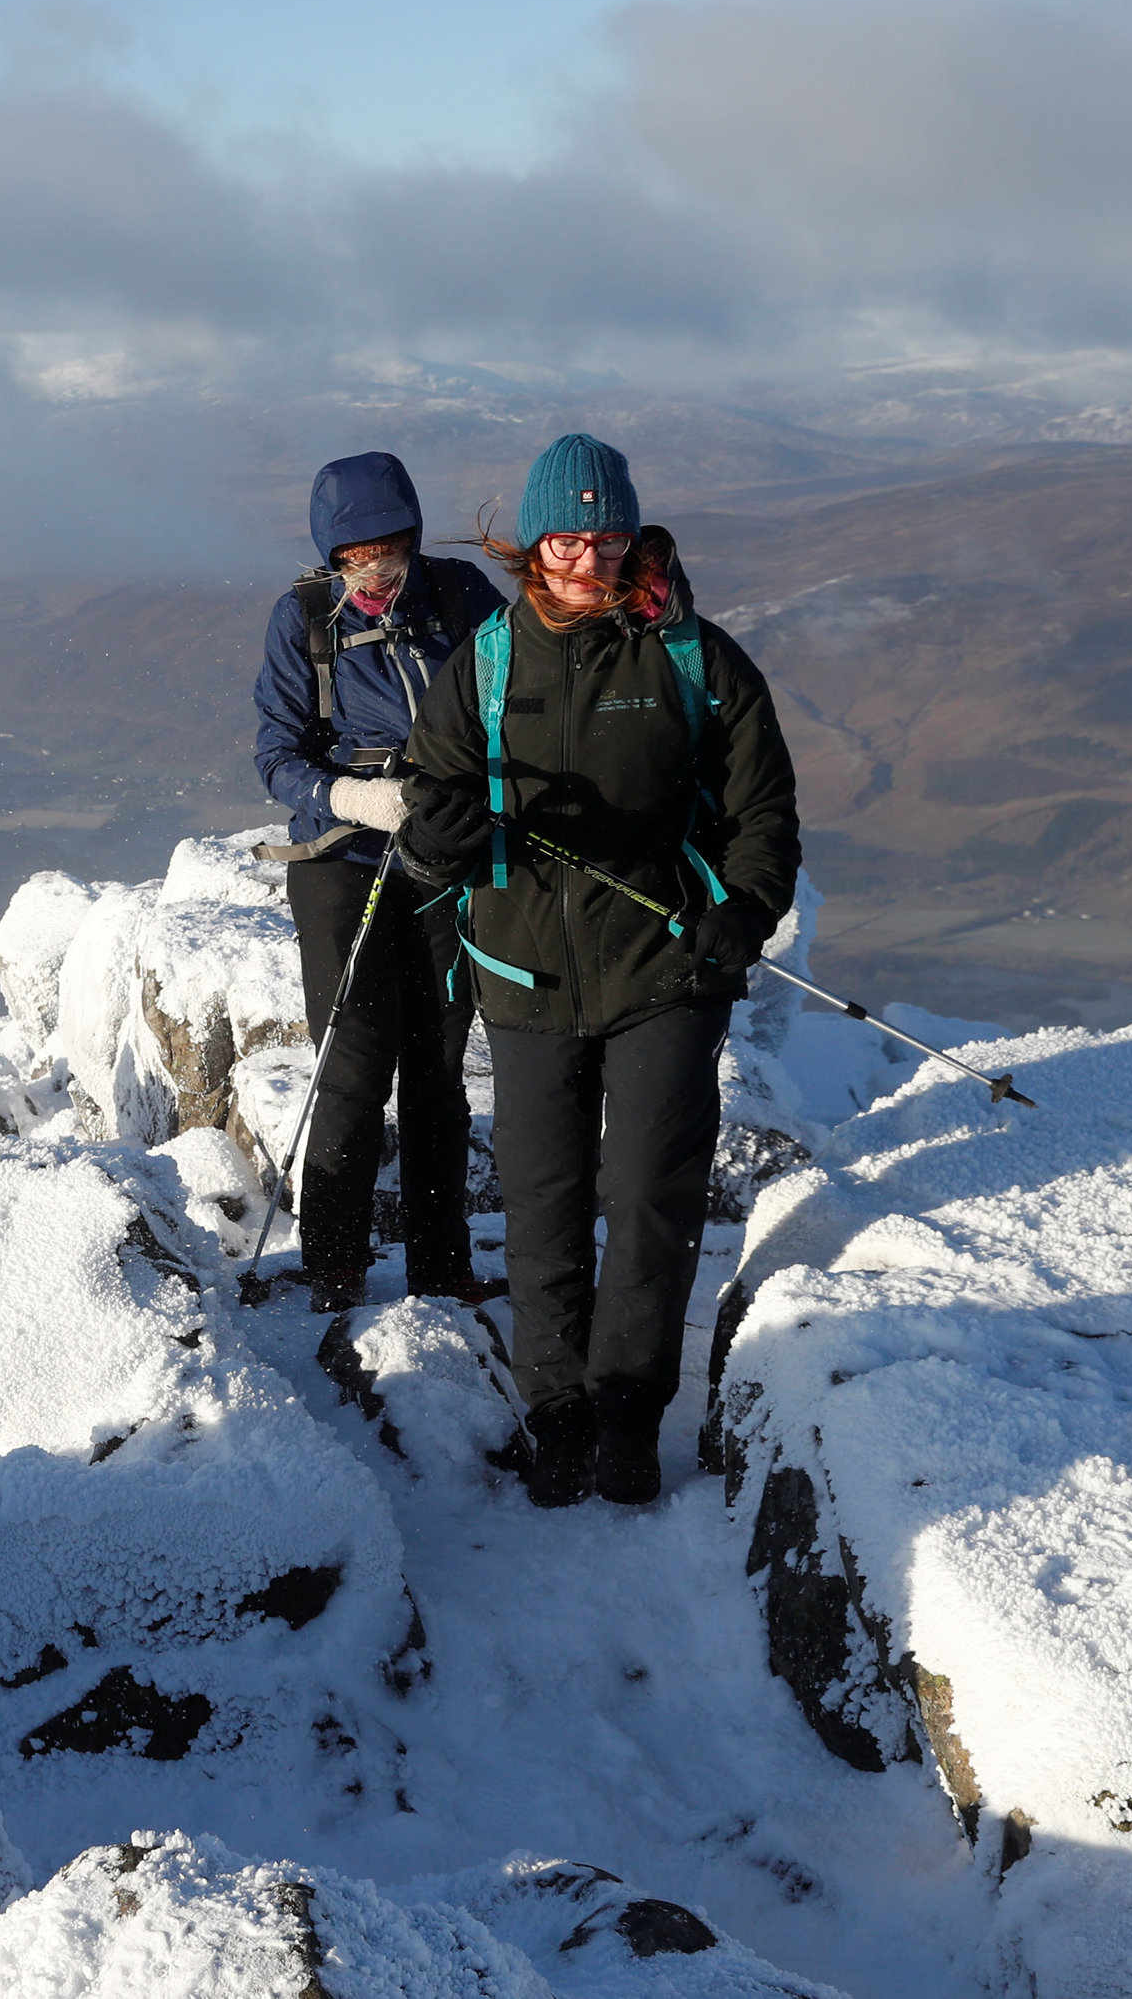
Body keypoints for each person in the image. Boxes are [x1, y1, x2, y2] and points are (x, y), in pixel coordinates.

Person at [394, 434, 800, 1508]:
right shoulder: (483, 663)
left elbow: (761, 810)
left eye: (606, 536)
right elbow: (428, 808)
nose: (586, 558)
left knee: (650, 1198)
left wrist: (742, 914)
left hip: (665, 970)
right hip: (521, 978)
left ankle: (626, 1416)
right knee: (540, 1205)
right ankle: (554, 1416)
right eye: (566, 538)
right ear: (531, 543)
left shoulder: (690, 659)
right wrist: (438, 834)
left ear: (633, 537)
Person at [251, 451, 506, 1313]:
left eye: (391, 544)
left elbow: (521, 699)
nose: (377, 566)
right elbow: (276, 755)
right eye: (357, 552)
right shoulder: (305, 622)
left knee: (438, 1064)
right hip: (340, 860)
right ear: (331, 553)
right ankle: (334, 1264)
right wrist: (353, 796)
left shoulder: (461, 595)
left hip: (440, 854)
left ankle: (441, 1266)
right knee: (355, 1062)